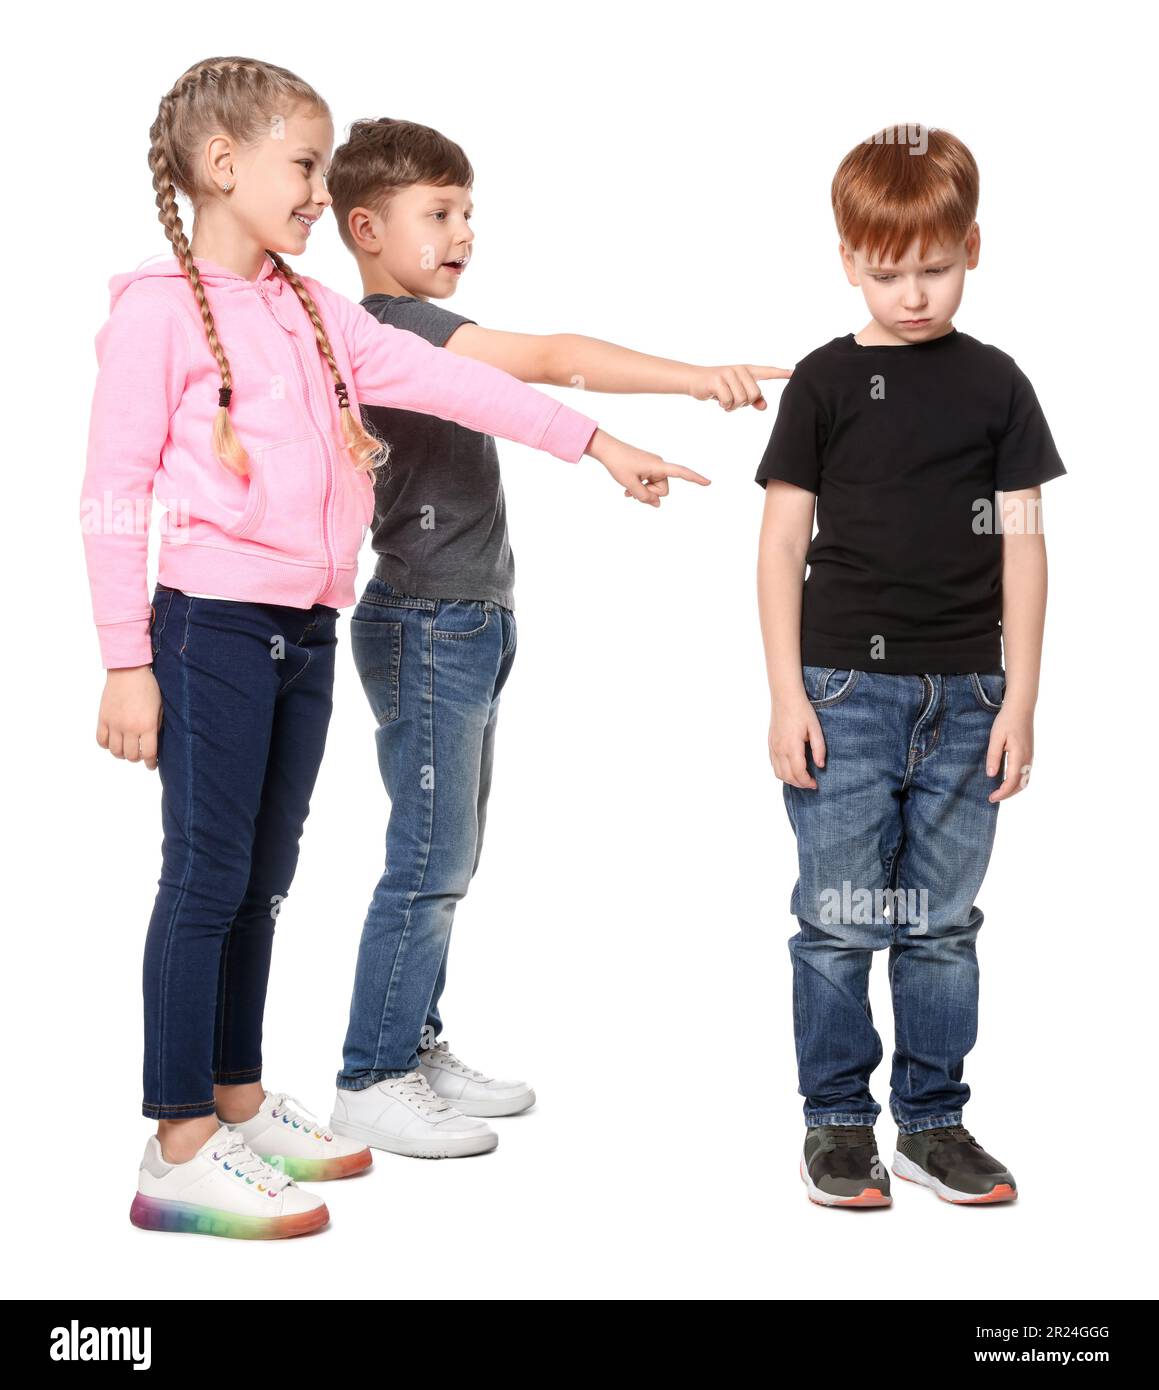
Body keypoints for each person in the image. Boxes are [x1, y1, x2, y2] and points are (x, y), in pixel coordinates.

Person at [81, 55, 698, 1239]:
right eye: (303, 167)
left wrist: (595, 443)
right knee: (204, 879)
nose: (317, 192)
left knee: (262, 881)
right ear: (224, 166)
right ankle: (176, 1141)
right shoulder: (157, 313)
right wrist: (125, 657)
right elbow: (109, 492)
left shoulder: (317, 312)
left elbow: (455, 385)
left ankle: (239, 1102)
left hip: (305, 625)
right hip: (206, 625)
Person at [322, 118, 790, 1158]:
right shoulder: (396, 327)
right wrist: (691, 375)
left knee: (451, 853)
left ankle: (414, 1038)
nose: (463, 231)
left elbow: (530, 377)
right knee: (428, 858)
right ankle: (371, 1073)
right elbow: (553, 360)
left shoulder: (424, 328)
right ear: (365, 227)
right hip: (428, 624)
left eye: (469, 213)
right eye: (438, 213)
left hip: (467, 620)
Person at [756, 124, 1066, 1207]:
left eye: (934, 268)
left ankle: (932, 1122)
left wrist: (1019, 697)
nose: (914, 294)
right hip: (843, 692)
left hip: (968, 695)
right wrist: (786, 693)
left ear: (970, 246)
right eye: (887, 273)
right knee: (841, 918)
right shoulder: (824, 384)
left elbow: (1022, 545)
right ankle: (837, 1123)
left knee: (939, 926)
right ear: (848, 260)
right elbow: (781, 545)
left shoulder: (999, 385)